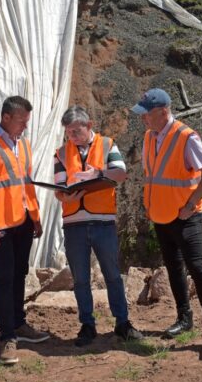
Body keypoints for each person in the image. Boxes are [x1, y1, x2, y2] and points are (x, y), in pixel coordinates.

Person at [131, 88, 202, 360]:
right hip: (161, 217)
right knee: (173, 267)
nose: (143, 120)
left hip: (186, 217)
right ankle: (184, 318)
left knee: (197, 269)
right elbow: (153, 177)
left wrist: (191, 204)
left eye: (146, 115)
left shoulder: (186, 137)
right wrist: (150, 206)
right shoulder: (150, 137)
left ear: (163, 112)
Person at [0, 96, 51, 365]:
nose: (26, 126)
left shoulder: (22, 144)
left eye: (27, 121)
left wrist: (35, 217)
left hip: (23, 221)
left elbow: (25, 184)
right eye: (22, 121)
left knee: (20, 273)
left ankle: (19, 323)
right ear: (6, 117)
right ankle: (7, 337)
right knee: (4, 278)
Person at [53, 106, 144, 346]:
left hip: (103, 222)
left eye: (76, 130)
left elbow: (121, 173)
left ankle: (122, 323)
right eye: (68, 132)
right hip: (74, 224)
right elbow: (59, 187)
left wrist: (99, 173)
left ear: (89, 124)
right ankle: (87, 325)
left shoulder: (107, 144)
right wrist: (65, 196)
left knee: (113, 275)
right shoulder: (61, 153)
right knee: (80, 278)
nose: (72, 136)